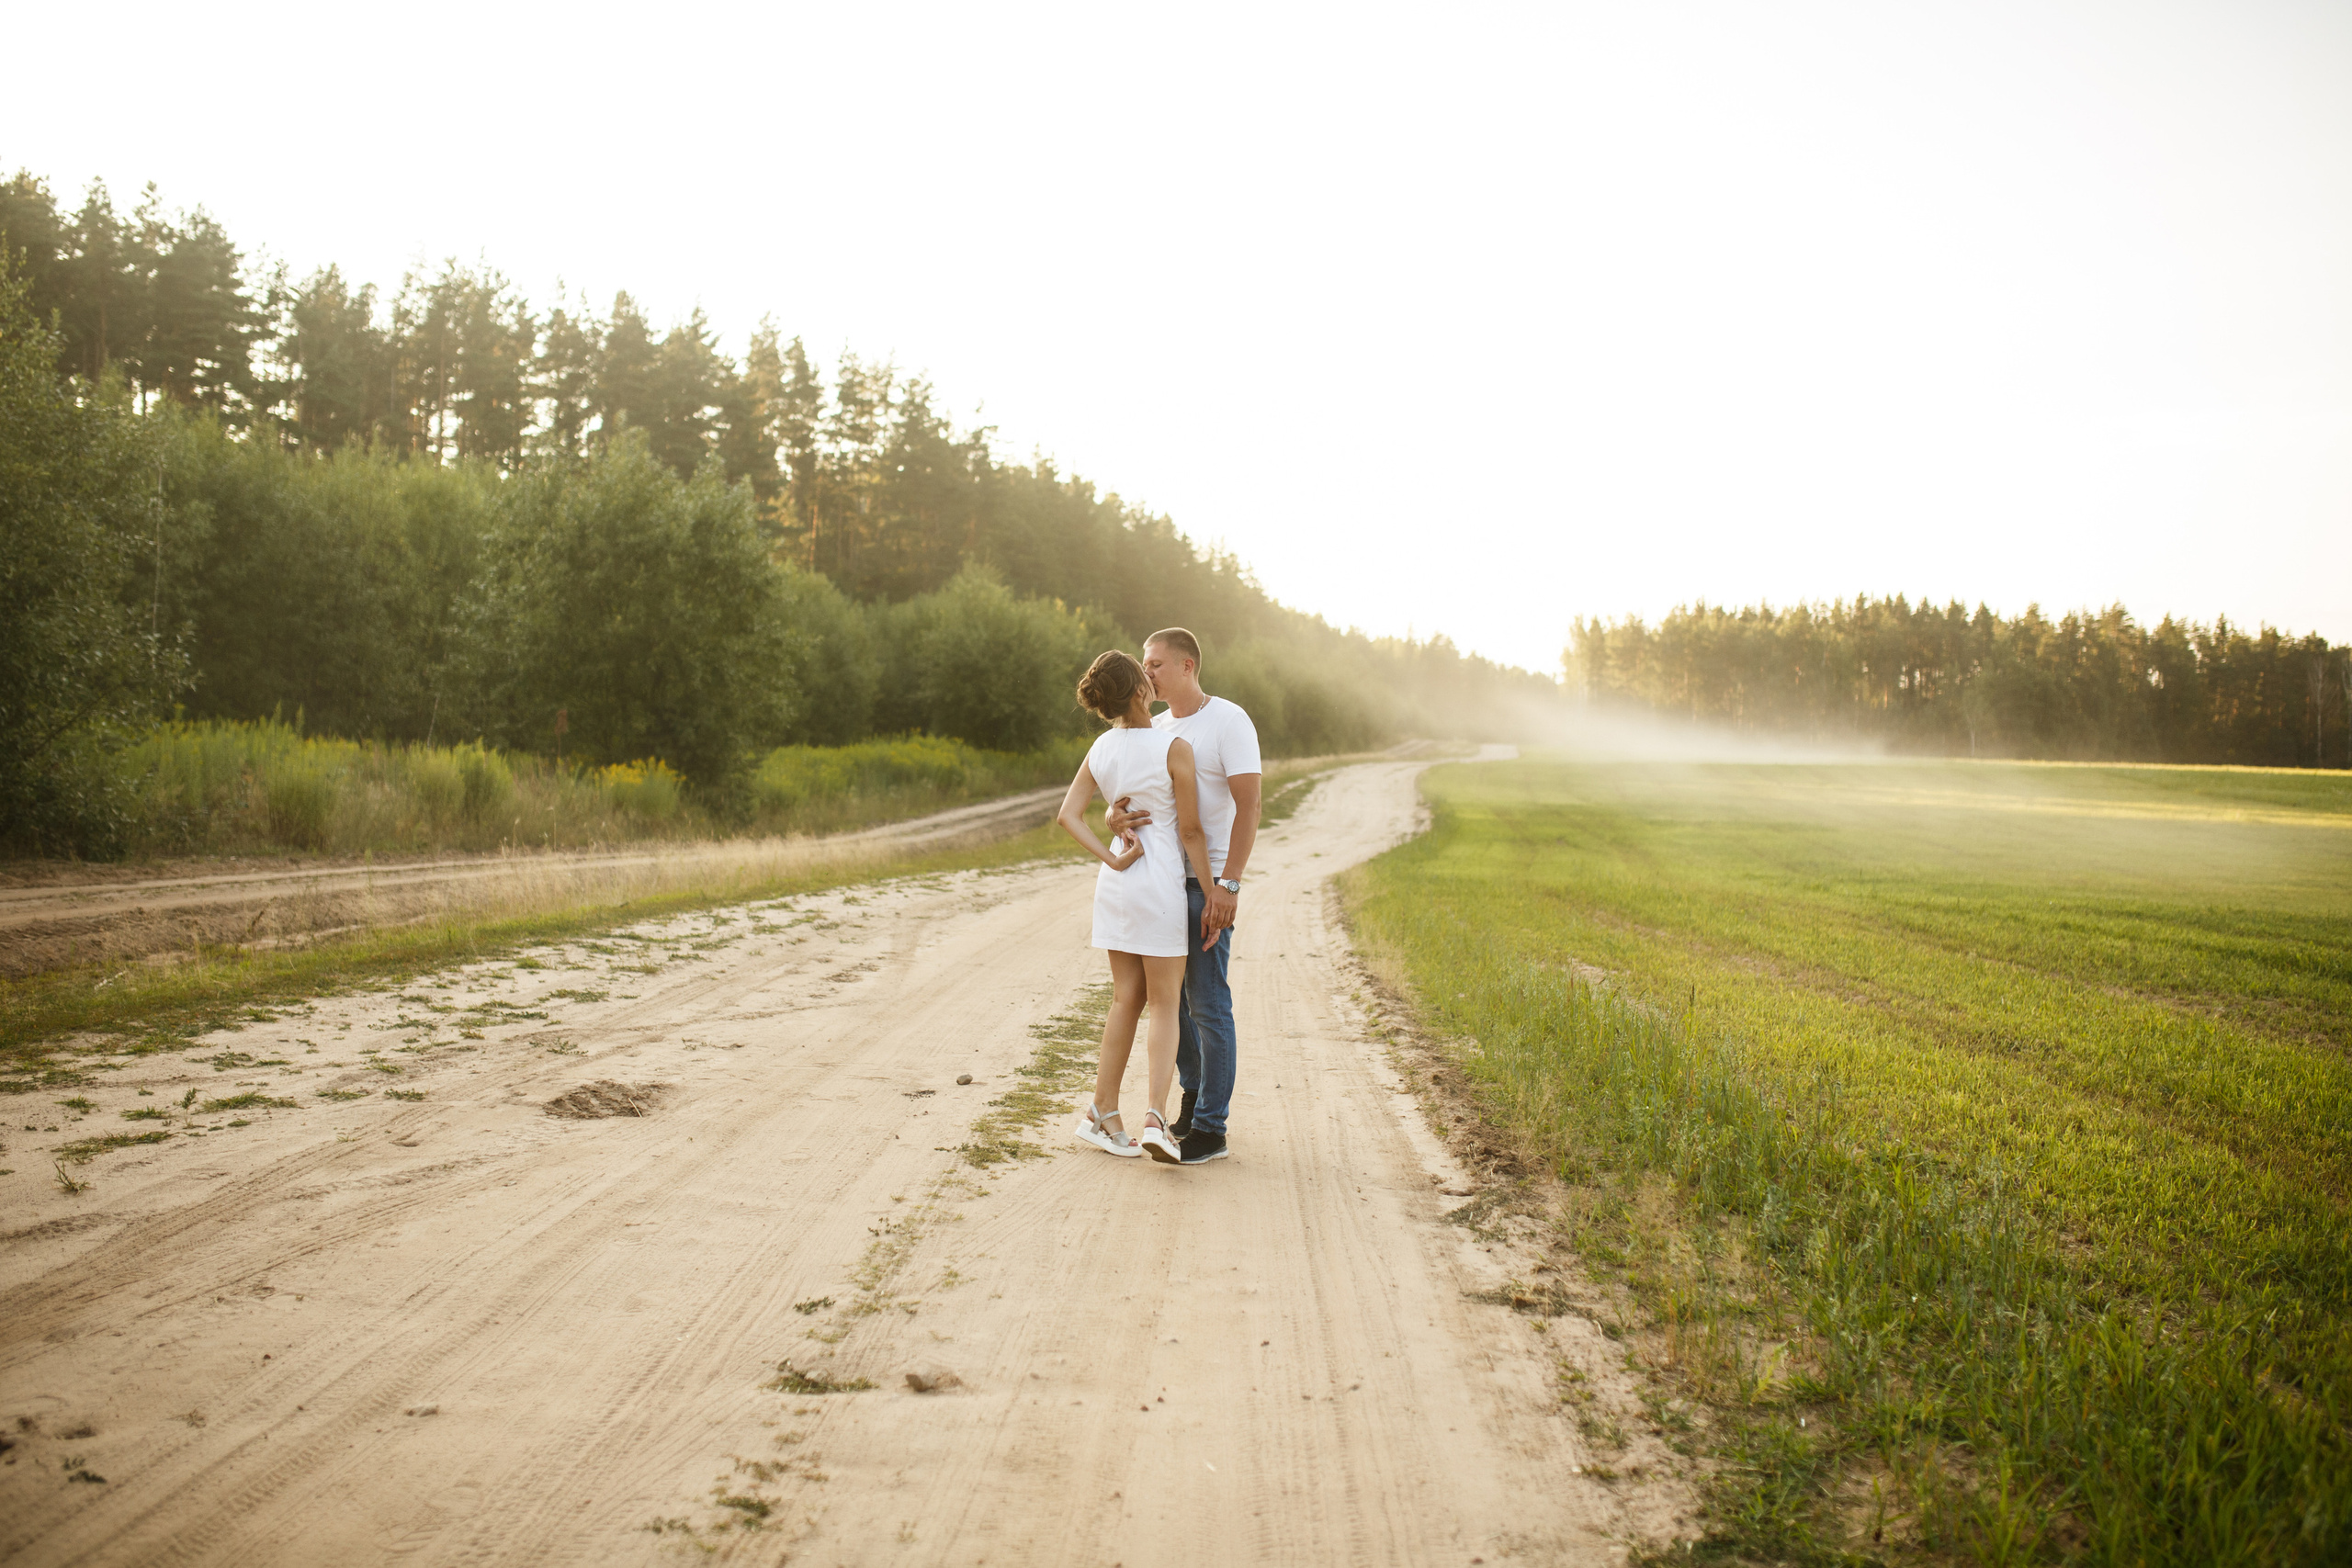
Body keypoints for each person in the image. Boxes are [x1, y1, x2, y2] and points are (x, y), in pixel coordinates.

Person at [1054, 649, 1216, 1165]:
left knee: (1127, 998)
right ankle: (1155, 1118)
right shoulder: (1175, 745)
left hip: (1118, 882)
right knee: (1167, 1003)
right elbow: (1190, 830)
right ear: (1142, 690)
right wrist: (1214, 892)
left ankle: (1102, 1113)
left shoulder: (1101, 747)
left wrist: (1112, 857)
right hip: (1159, 885)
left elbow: (1067, 815)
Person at [1107, 627, 1261, 1166]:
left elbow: (1249, 807)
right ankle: (1193, 1102)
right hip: (1163, 884)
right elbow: (1130, 792)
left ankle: (1211, 1129)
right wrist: (1112, 815)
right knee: (1177, 1006)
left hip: (1209, 882)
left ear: (1188, 665)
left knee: (1209, 1004)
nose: (1145, 673)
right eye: (1144, 665)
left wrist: (1230, 883)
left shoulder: (1229, 720)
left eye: (1156, 664)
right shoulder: (1159, 727)